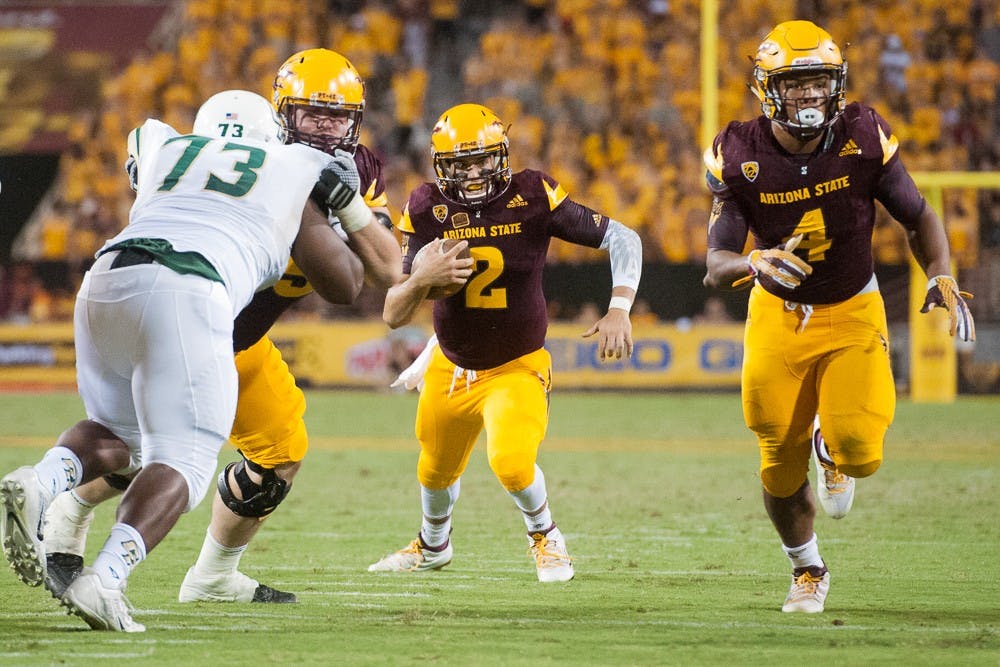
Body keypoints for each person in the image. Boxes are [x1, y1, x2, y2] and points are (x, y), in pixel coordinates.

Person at [0, 88, 379, 631]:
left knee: (118, 437)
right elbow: (346, 284)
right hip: (189, 286)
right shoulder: (292, 162)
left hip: (105, 278)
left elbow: (143, 136)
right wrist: (347, 207)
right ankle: (105, 580)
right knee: (183, 459)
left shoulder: (167, 145)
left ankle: (42, 479)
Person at [702, 20, 975, 614]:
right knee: (776, 458)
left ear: (838, 85)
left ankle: (832, 446)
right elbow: (715, 261)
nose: (809, 95)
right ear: (768, 88)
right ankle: (807, 569)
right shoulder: (739, 150)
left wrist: (942, 273)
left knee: (860, 453)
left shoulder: (863, 135)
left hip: (853, 308)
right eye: (796, 84)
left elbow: (918, 215)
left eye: (820, 82)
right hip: (776, 315)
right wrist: (752, 260)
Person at [368, 103, 642, 582]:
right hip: (452, 364)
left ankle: (546, 538)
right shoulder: (425, 206)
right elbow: (393, 312)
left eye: (482, 160)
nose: (473, 173)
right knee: (432, 471)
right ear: (440, 165)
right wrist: (420, 283)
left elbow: (622, 237)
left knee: (512, 461)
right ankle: (433, 545)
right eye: (460, 164)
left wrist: (619, 306)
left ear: (502, 156)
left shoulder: (533, 193)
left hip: (517, 364)